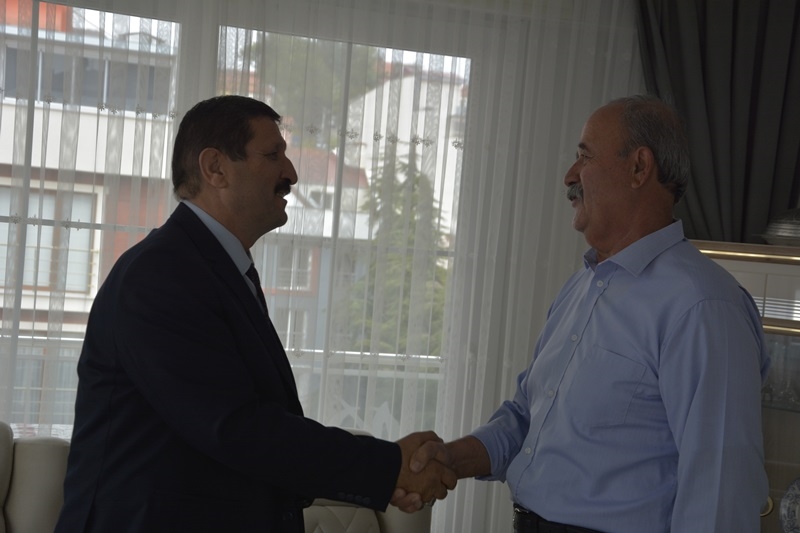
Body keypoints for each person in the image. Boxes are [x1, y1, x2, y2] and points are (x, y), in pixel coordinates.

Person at [55, 95, 455, 533]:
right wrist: (389, 467)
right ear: (215, 168)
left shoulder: (214, 268)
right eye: (272, 155)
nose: (291, 173)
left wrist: (382, 473)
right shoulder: (161, 274)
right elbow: (237, 429)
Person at [394, 95, 770, 532]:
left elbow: (721, 496)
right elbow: (525, 419)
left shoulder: (703, 307)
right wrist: (449, 459)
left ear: (639, 168)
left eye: (584, 156)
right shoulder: (581, 287)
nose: (569, 175)